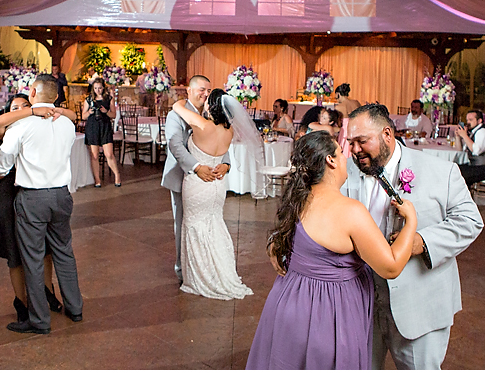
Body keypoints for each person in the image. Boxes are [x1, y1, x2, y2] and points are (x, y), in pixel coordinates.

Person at [247, 132, 418, 369]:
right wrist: (411, 223)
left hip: (288, 304)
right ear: (330, 160)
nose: (346, 156)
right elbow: (391, 266)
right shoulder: (350, 211)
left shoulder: (297, 199)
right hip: (329, 313)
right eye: (340, 151)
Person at [343, 104, 483, 370]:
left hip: (419, 304)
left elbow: (470, 221)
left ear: (387, 134)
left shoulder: (441, 171)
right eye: (351, 143)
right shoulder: (345, 171)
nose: (355, 150)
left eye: (362, 141)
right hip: (360, 305)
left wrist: (422, 242)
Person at [0, 76, 84, 334]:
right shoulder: (66, 123)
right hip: (62, 195)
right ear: (56, 97)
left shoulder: (21, 125)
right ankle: (75, 308)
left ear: (32, 92)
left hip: (32, 198)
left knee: (32, 259)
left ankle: (39, 320)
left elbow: (2, 163)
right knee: (64, 252)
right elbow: (71, 117)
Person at [171, 89, 257, 300]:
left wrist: (189, 96)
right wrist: (225, 165)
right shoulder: (228, 131)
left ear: (212, 106)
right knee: (214, 226)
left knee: (194, 227)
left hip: (198, 184)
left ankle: (200, 277)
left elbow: (177, 107)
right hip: (218, 185)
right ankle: (222, 273)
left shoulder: (201, 124)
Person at [160, 75, 231, 285]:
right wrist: (196, 167)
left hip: (210, 181)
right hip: (185, 177)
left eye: (208, 91)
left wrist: (226, 164)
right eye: (201, 89)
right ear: (189, 91)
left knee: (209, 224)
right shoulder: (177, 114)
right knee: (184, 224)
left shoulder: (212, 113)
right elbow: (176, 146)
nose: (205, 94)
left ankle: (207, 266)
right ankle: (185, 271)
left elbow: (223, 140)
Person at [82, 77, 121, 187]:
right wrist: (89, 112)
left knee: (109, 154)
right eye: (95, 88)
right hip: (92, 127)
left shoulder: (109, 99)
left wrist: (106, 111)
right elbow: (83, 116)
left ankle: (117, 175)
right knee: (94, 156)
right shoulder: (88, 100)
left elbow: (113, 115)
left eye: (99, 88)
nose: (97, 90)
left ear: (103, 88)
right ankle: (97, 179)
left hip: (105, 126)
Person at [456, 110, 485, 186]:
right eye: (467, 120)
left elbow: (476, 151)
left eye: (471, 120)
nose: (468, 122)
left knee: (458, 174)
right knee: (454, 169)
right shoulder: (473, 132)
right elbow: (460, 150)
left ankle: (462, 196)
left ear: (479, 121)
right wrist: (458, 137)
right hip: (476, 166)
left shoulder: (483, 132)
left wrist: (465, 136)